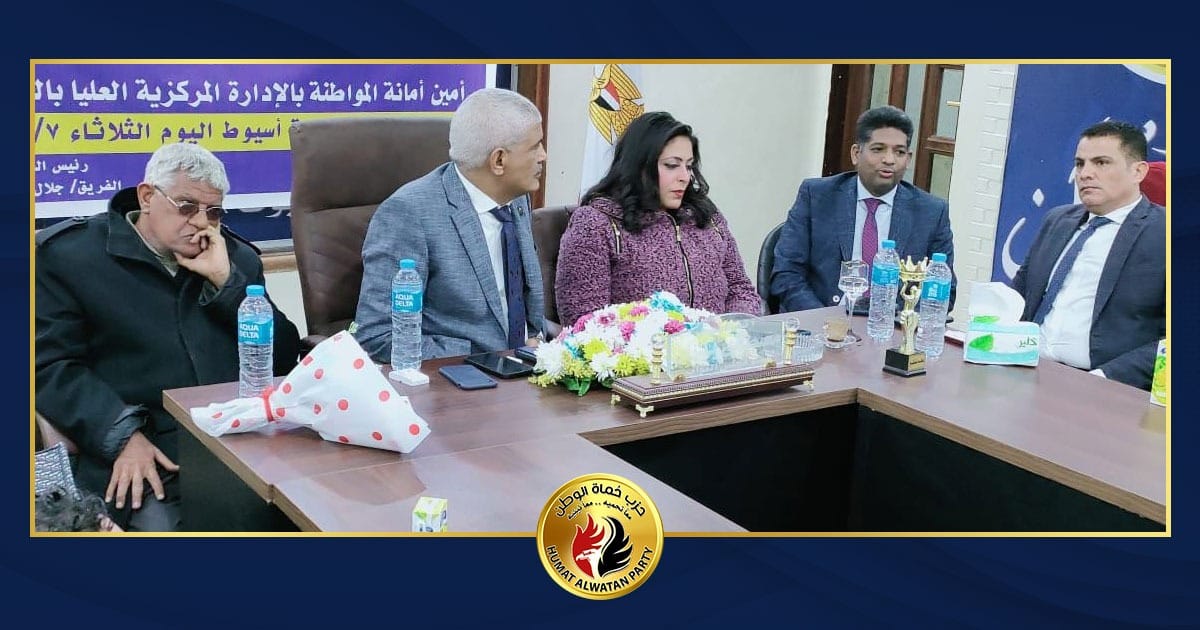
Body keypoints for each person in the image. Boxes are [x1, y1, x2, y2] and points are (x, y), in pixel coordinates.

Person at [35, 143, 301, 531]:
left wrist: (227, 285)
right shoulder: (71, 257)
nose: (201, 223)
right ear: (147, 197)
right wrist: (121, 436)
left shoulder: (235, 259)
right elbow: (49, 366)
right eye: (187, 206)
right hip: (142, 446)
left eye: (213, 211)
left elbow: (283, 359)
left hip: (241, 442)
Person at [353, 88, 547, 360]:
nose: (543, 156)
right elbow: (377, 337)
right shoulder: (409, 213)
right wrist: (489, 356)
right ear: (499, 160)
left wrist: (539, 342)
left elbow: (521, 307)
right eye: (535, 147)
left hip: (528, 365)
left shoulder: (516, 198)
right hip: (460, 375)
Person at [555, 111, 761, 326]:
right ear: (639, 165)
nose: (685, 177)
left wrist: (732, 329)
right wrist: (675, 335)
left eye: (689, 166)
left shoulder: (707, 217)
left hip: (721, 345)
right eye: (672, 165)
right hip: (640, 347)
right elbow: (584, 321)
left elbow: (741, 289)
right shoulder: (596, 223)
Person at [1013, 121, 1164, 390]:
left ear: (1138, 171)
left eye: (1101, 163)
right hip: (1024, 370)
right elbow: (1019, 296)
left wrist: (1102, 379)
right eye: (1080, 164)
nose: (1085, 174)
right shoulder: (1057, 220)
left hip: (1104, 387)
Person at [770, 105, 956, 313]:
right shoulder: (817, 196)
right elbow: (786, 273)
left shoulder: (931, 212)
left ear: (908, 159)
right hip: (823, 319)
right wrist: (823, 320)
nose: (889, 160)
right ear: (856, 153)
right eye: (878, 149)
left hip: (892, 325)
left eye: (899, 152)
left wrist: (901, 323)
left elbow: (945, 290)